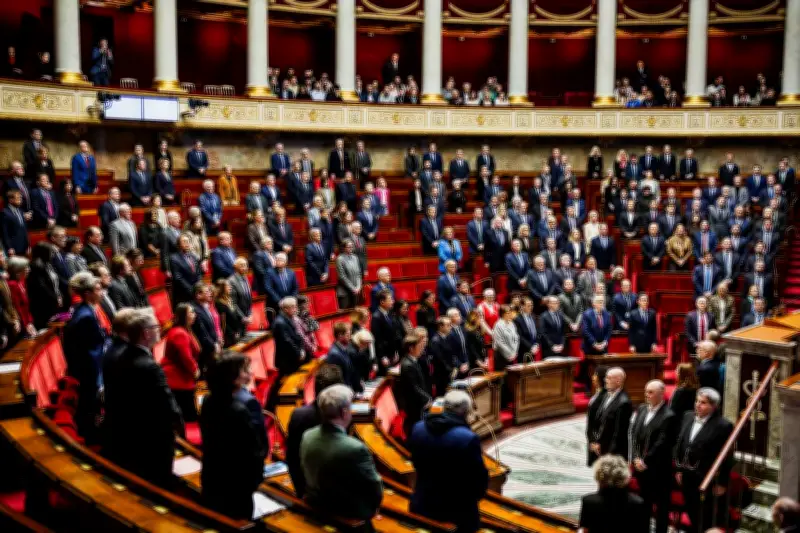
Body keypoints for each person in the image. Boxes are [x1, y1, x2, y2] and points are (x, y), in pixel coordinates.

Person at [103, 309, 183, 487]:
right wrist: (180, 432)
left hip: (129, 438)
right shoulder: (149, 367)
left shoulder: (121, 356)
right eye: (156, 326)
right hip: (152, 443)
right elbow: (168, 407)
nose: (160, 329)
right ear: (146, 333)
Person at [408, 390, 488, 532]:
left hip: (422, 503)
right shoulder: (467, 439)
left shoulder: (418, 428)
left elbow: (415, 462)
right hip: (457, 514)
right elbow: (479, 481)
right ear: (466, 413)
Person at [200, 351, 268, 519]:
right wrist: (255, 482)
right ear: (233, 378)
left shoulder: (208, 400)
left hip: (212, 477)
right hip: (236, 486)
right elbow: (255, 449)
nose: (250, 373)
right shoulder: (240, 409)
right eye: (244, 370)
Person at [300, 384, 383, 521]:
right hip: (348, 513)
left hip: (315, 503)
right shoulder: (355, 448)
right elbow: (375, 487)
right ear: (344, 412)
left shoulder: (307, 435)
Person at [673, 387, 734, 533]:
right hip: (687, 476)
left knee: (704, 518)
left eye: (703, 402)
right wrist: (679, 469)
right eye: (697, 401)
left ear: (714, 406)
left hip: (707, 479)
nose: (697, 405)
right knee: (692, 512)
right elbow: (680, 444)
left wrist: (723, 482)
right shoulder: (687, 416)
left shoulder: (723, 425)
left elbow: (726, 457)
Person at [63, 273, 106, 441]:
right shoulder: (86, 316)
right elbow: (91, 352)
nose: (101, 292)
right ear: (87, 293)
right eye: (97, 289)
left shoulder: (83, 310)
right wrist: (99, 381)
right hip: (87, 372)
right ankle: (90, 435)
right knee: (89, 407)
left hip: (84, 368)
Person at [629, 380, 676, 533]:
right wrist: (636, 458)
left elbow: (661, 443)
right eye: (646, 391)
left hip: (659, 470)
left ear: (661, 394)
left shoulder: (669, 415)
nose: (646, 395)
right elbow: (634, 434)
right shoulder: (642, 409)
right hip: (641, 468)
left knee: (662, 508)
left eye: (650, 392)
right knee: (644, 504)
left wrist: (645, 461)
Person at [579, 454, 649, 533]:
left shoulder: (589, 501)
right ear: (625, 476)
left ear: (599, 475)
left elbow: (585, 530)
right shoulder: (638, 503)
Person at [161, 303, 200, 422]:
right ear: (184, 316)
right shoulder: (179, 333)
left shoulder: (184, 330)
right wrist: (194, 370)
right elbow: (186, 356)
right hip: (178, 379)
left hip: (181, 376)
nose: (194, 315)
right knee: (188, 417)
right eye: (191, 313)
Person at [586, 367, 632, 465]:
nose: (605, 380)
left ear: (618, 381)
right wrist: (595, 441)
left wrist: (609, 454)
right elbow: (599, 421)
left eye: (609, 378)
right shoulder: (607, 395)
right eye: (606, 377)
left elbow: (619, 433)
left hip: (613, 453)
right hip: (602, 448)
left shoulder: (624, 403)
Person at [27, 242, 63, 329]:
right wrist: (55, 298)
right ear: (43, 252)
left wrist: (59, 296)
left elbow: (55, 281)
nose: (52, 254)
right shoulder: (36, 265)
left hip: (52, 300)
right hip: (43, 305)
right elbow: (42, 287)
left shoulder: (47, 264)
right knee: (47, 328)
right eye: (50, 252)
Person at [215, 279, 244, 348]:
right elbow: (224, 323)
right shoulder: (219, 304)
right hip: (229, 336)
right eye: (228, 286)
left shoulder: (229, 299)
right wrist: (233, 334)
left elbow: (235, 316)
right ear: (222, 289)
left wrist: (238, 331)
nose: (230, 287)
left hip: (236, 332)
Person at [2, 190, 30, 257]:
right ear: (10, 200)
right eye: (18, 198)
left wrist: (28, 245)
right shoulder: (4, 213)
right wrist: (9, 247)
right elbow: (4, 232)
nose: (20, 200)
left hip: (23, 246)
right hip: (13, 248)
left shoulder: (21, 211)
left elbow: (24, 230)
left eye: (21, 198)